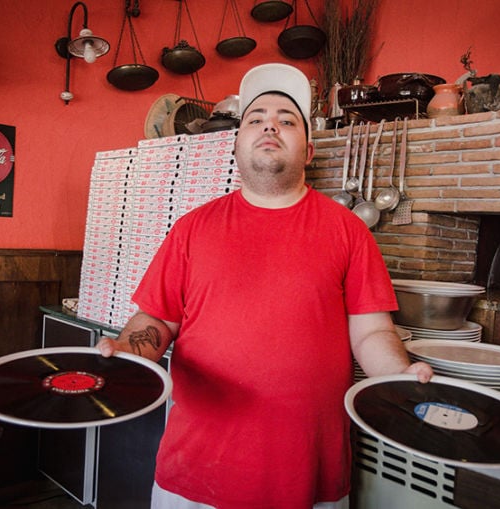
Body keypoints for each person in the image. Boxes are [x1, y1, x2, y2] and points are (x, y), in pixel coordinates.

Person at [97, 62, 433, 509]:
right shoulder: (192, 229)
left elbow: (372, 331)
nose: (269, 125)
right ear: (235, 144)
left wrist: (397, 377)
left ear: (309, 150)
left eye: (287, 120)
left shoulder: (349, 231)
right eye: (255, 119)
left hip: (309, 475)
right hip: (195, 474)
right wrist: (127, 352)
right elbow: (157, 319)